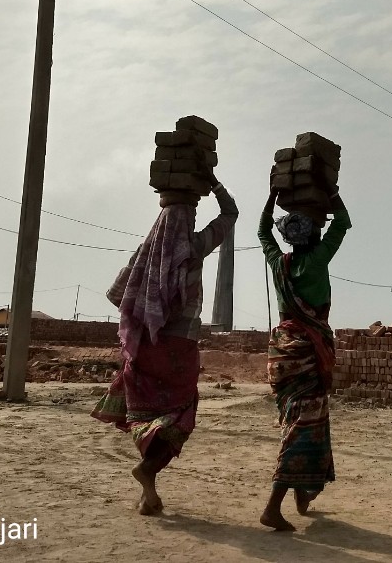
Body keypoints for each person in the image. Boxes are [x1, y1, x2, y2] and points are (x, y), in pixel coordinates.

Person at [91, 169, 237, 515]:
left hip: (144, 346)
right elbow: (230, 214)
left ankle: (149, 497)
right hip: (179, 347)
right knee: (181, 413)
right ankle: (148, 470)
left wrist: (150, 304)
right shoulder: (195, 247)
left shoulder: (146, 252)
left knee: (146, 415)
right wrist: (214, 184)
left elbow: (116, 294)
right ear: (188, 219)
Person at [257, 188, 351, 532]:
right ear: (313, 234)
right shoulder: (319, 259)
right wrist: (334, 193)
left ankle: (303, 494)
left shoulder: (278, 262)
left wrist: (271, 197)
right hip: (307, 354)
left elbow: (262, 231)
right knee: (301, 428)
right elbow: (343, 222)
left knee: (302, 421)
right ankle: (273, 506)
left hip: (281, 353)